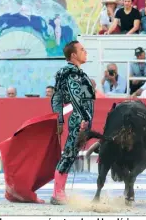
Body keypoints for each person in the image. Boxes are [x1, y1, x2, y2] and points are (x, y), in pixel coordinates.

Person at [50, 41, 95, 205]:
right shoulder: (73, 74)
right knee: (69, 154)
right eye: (82, 49)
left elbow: (57, 97)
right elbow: (76, 97)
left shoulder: (72, 72)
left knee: (70, 154)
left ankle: (58, 192)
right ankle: (58, 193)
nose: (85, 51)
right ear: (74, 55)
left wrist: (60, 118)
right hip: (79, 119)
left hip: (79, 118)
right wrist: (84, 117)